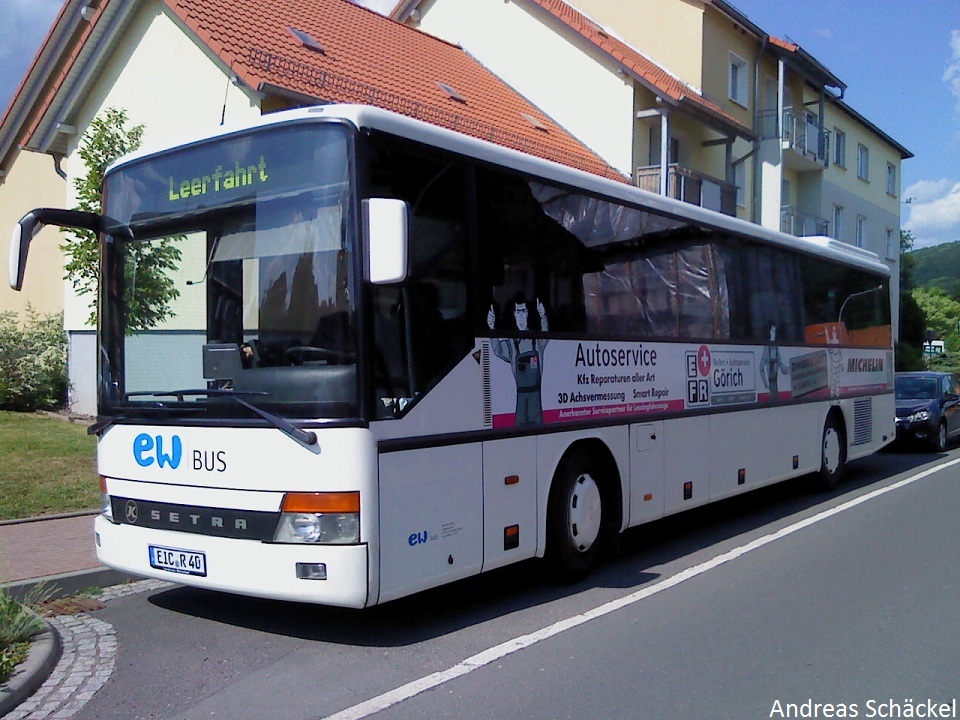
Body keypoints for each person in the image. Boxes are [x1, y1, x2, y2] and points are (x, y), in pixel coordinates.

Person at [488, 293, 549, 426]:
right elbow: (497, 350)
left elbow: (546, 335)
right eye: (518, 312)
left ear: (527, 314)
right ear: (514, 314)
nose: (521, 316)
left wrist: (543, 316)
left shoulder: (537, 341)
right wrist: (492, 328)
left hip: (535, 399)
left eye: (523, 312)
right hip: (520, 399)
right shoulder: (511, 344)